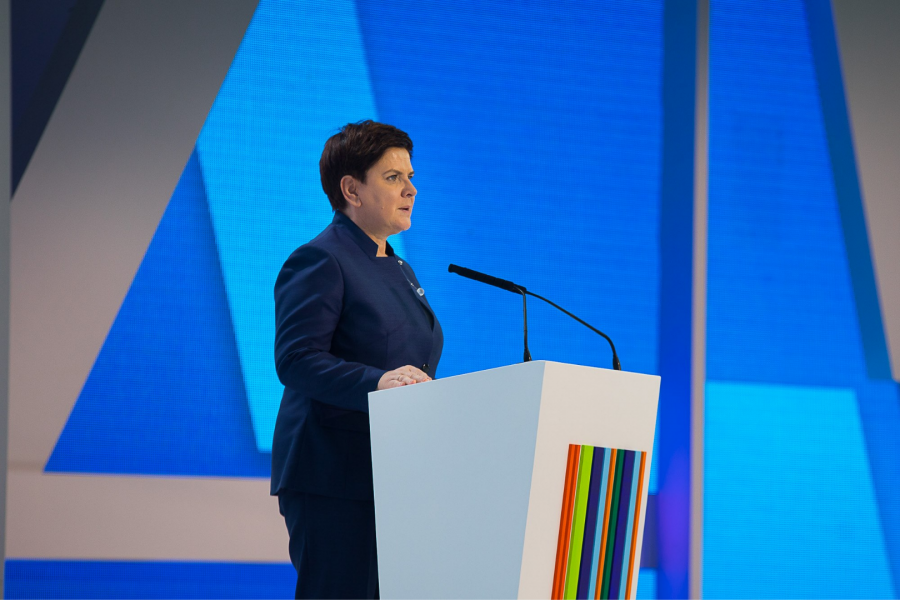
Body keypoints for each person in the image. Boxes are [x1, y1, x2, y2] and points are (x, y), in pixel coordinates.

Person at [271, 120, 444, 599]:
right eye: (393, 178)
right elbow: (297, 359)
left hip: (393, 472)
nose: (410, 189)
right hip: (335, 474)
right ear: (352, 190)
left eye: (410, 177)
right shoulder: (321, 259)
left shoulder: (399, 268)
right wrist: (379, 383)